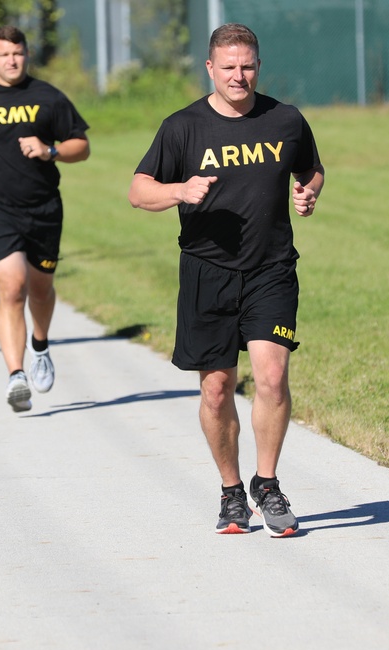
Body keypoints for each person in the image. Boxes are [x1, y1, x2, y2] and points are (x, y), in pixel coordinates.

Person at [128, 23, 324, 538]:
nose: (240, 76)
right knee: (216, 390)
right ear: (210, 68)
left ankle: (268, 482)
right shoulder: (183, 127)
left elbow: (311, 169)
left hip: (271, 268)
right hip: (206, 271)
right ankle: (232, 492)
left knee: (272, 377)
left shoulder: (285, 119)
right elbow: (138, 190)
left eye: (248, 66)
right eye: (229, 67)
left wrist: (309, 191)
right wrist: (179, 190)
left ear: (258, 66)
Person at [0, 26, 90, 412]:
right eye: (5, 54)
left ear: (26, 55)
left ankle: (40, 346)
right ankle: (15, 375)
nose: (12, 60)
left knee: (41, 289)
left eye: (18, 53)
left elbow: (82, 146)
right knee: (12, 287)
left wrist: (51, 150)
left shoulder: (47, 96)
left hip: (43, 207)